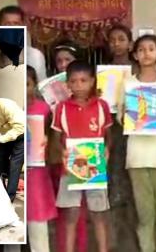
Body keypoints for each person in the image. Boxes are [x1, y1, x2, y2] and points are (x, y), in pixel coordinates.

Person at [51, 60, 113, 252]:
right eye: (74, 81)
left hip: (95, 166)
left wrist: (107, 149)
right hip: (70, 167)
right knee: (71, 214)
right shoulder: (61, 108)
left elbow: (108, 136)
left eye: (84, 80)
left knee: (98, 215)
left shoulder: (101, 106)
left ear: (93, 81)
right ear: (67, 84)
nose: (79, 86)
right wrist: (61, 151)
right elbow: (55, 138)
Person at [125, 34, 156, 252]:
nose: (146, 53)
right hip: (136, 157)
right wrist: (130, 113)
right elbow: (120, 117)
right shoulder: (128, 83)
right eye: (142, 49)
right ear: (135, 54)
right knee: (145, 215)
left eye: (151, 48)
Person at [50, 39, 88, 252]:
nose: (63, 64)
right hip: (58, 158)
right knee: (63, 211)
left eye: (68, 60)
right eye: (59, 61)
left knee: (79, 212)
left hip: (82, 157)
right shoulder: (48, 90)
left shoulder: (88, 95)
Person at [105, 24, 140, 252]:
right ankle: (118, 242)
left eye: (121, 39)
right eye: (112, 40)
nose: (116, 43)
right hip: (114, 133)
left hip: (137, 133)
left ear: (129, 43)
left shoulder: (140, 70)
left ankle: (138, 242)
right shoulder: (104, 73)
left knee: (136, 190)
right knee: (116, 187)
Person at [27, 65, 57, 252]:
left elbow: (53, 135)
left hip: (38, 170)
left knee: (37, 217)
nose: (24, 88)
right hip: (19, 170)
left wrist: (47, 142)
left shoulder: (44, 108)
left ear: (35, 84)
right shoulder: (15, 109)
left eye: (28, 84)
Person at [0, 5, 47, 80]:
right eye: (7, 24)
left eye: (16, 23)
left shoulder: (36, 56)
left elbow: (40, 87)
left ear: (24, 26)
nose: (12, 28)